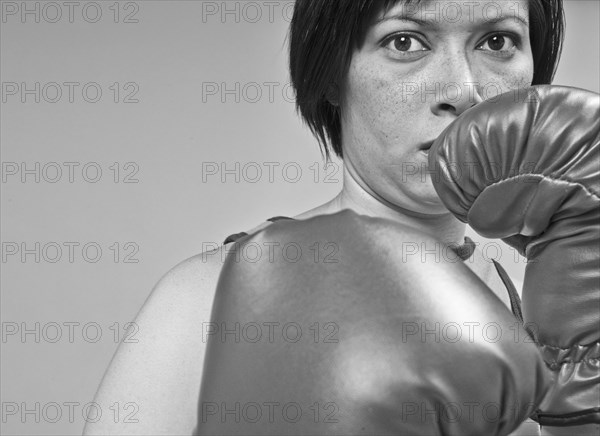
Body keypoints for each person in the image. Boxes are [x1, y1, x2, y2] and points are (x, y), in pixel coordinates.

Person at [84, 1, 599, 435]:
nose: (462, 90)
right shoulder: (210, 297)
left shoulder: (556, 301)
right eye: (405, 42)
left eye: (497, 41)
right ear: (333, 74)